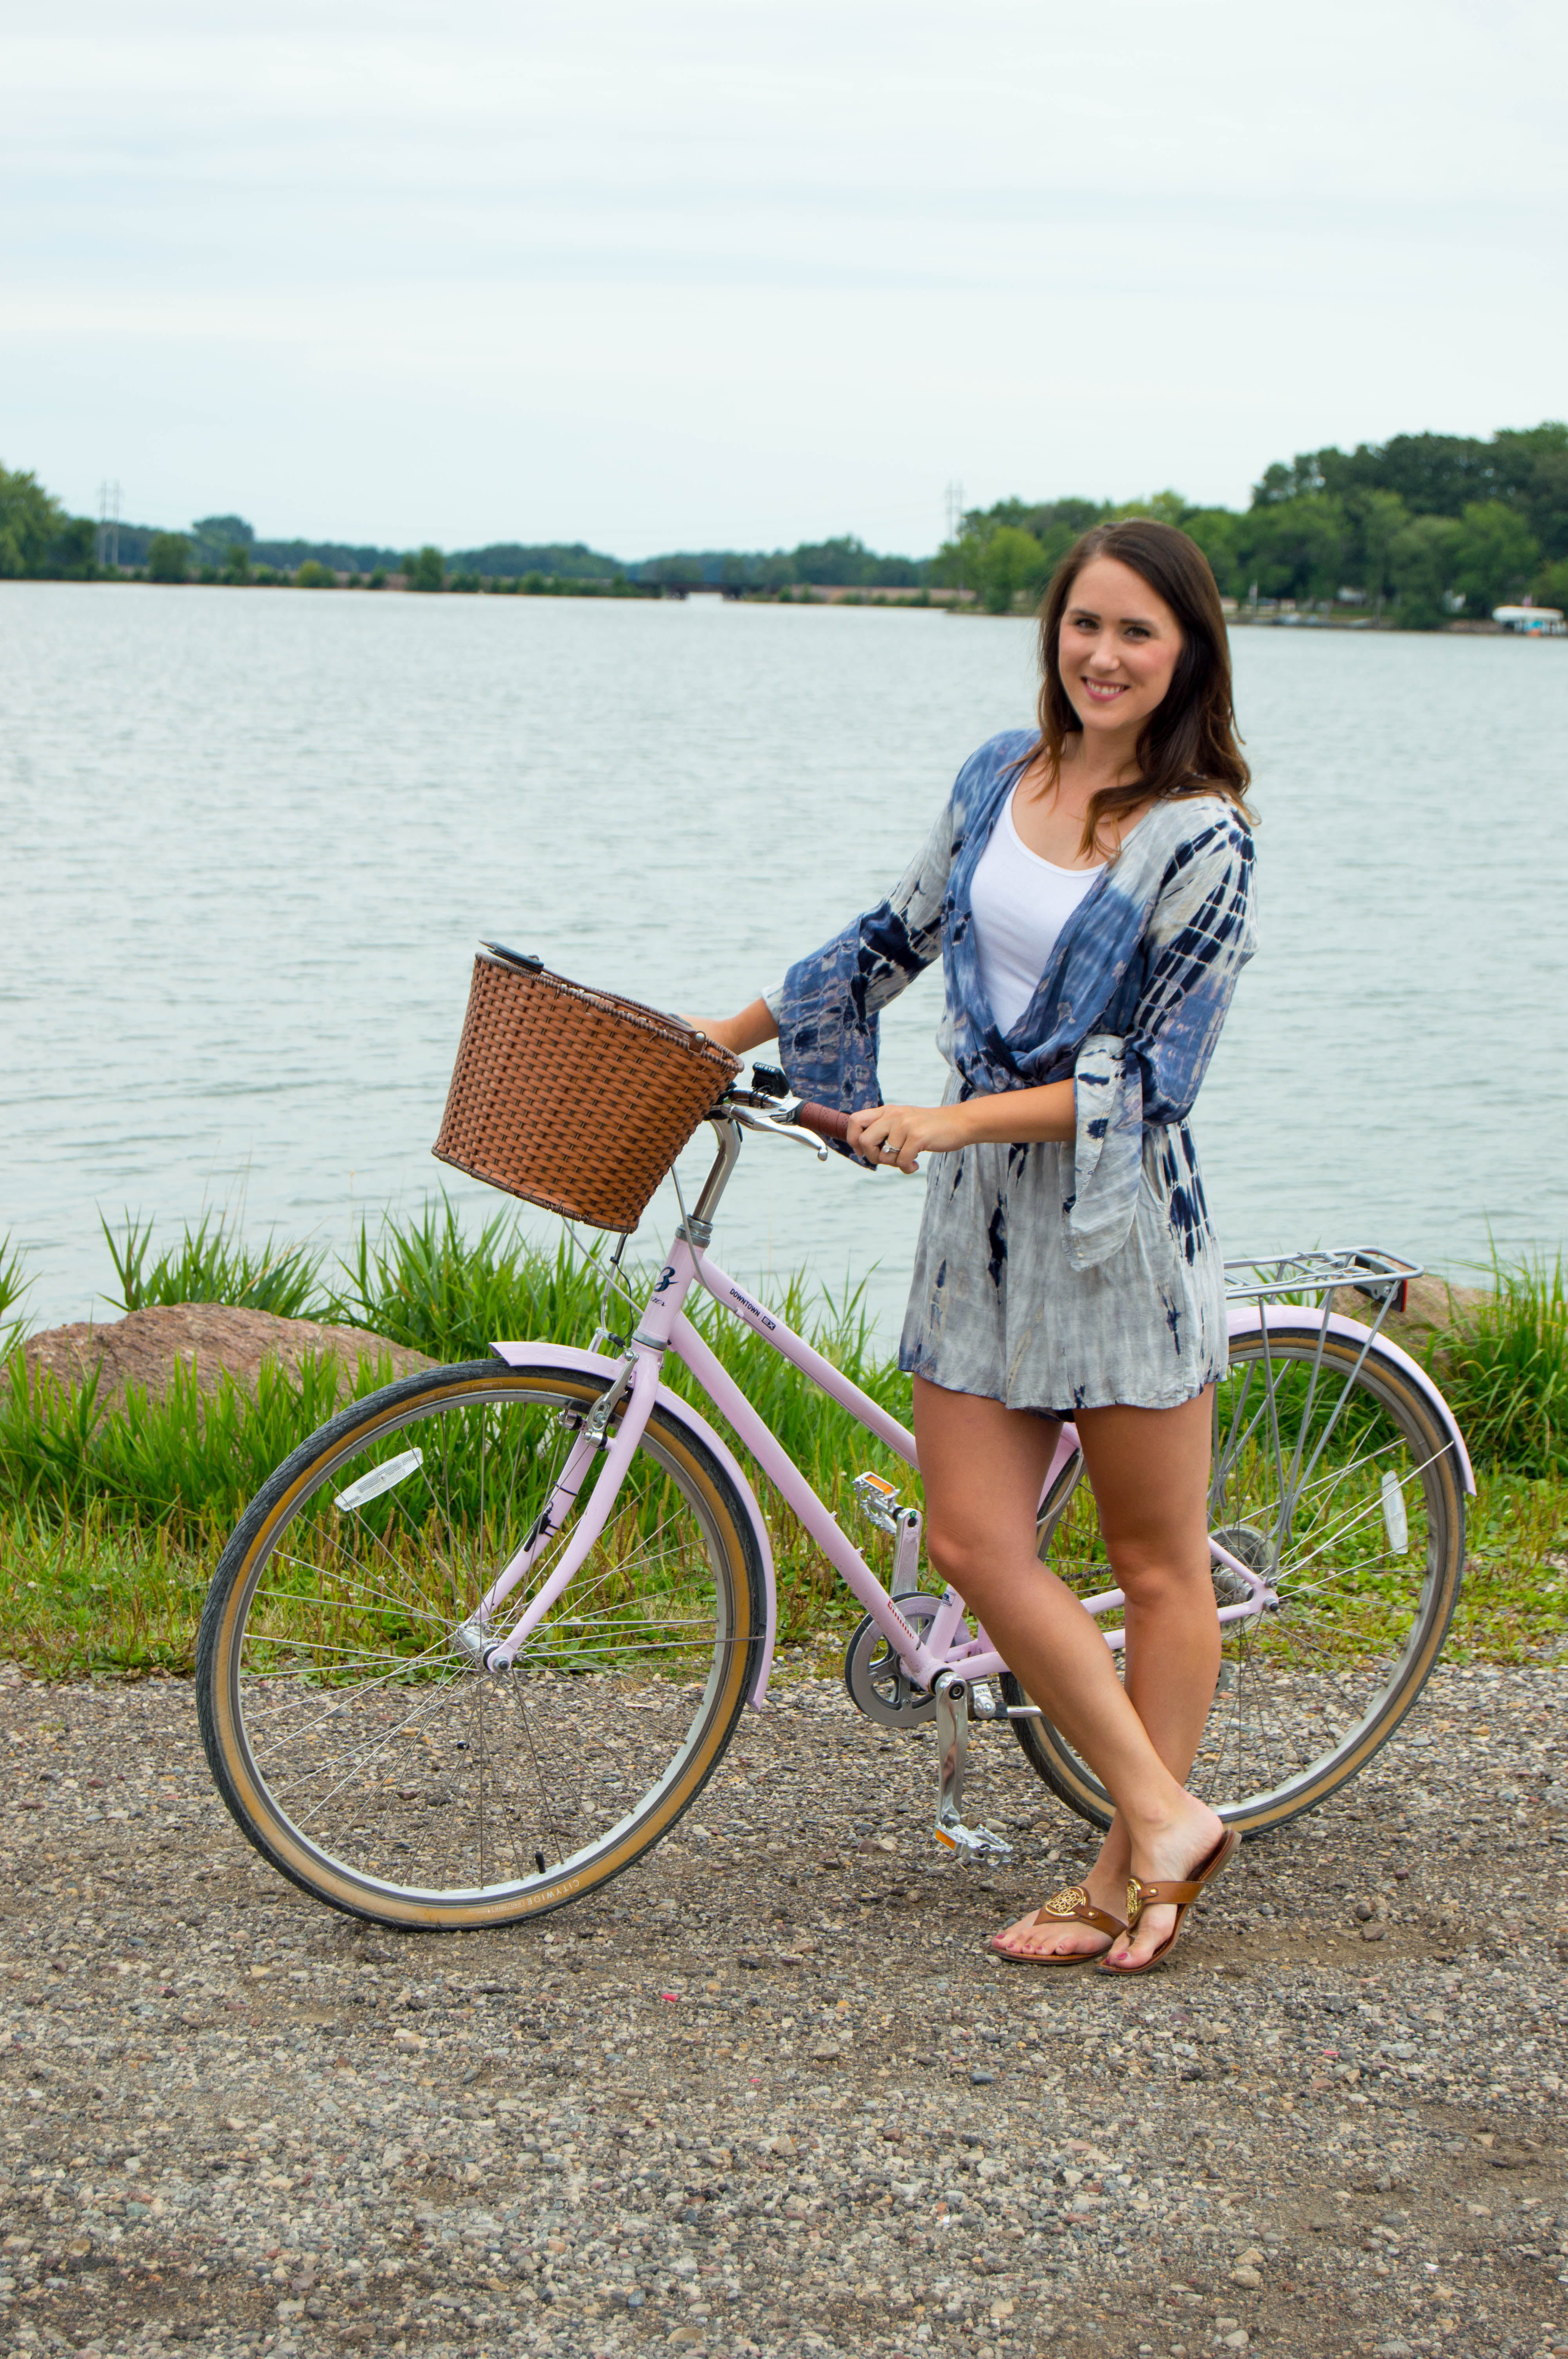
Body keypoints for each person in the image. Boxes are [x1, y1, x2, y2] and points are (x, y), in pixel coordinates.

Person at [689, 519, 1256, 1973]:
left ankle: (1131, 1876)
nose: (1104, 655)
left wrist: (943, 1121)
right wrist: (719, 1032)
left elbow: (1150, 1083)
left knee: (1155, 1564)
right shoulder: (1001, 776)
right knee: (973, 1543)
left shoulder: (1205, 840)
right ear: (1053, 635)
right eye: (1084, 625)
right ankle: (1166, 1815)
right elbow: (887, 938)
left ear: (1185, 652)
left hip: (1118, 1236)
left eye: (1138, 632)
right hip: (980, 1236)